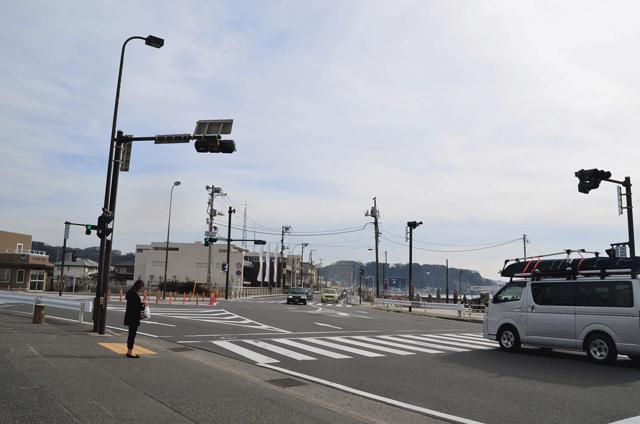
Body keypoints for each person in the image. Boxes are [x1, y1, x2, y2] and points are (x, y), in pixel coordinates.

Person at [124, 279, 145, 358]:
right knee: (132, 335)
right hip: (134, 317)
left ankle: (129, 351)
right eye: (141, 287)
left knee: (131, 334)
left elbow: (133, 304)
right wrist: (143, 306)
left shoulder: (129, 293)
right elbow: (138, 307)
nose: (141, 289)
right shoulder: (135, 295)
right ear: (139, 286)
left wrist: (141, 304)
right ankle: (129, 352)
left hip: (129, 316)